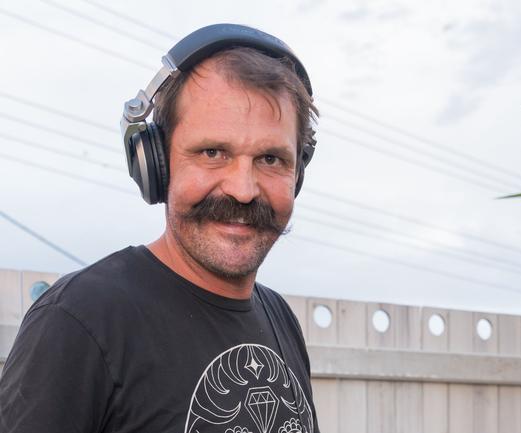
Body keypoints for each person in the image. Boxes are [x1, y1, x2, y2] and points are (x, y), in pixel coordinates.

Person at [0, 24, 320, 433]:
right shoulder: (79, 321)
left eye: (271, 159)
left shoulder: (279, 317)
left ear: (297, 175)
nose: (243, 190)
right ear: (156, 162)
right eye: (212, 152)